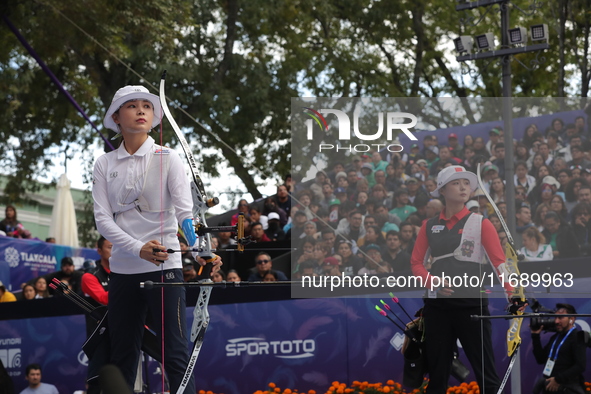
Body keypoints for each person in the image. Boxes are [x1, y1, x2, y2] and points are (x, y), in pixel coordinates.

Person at [92, 85, 222, 393]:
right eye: (131, 106)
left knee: (175, 354)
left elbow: (185, 214)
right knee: (123, 355)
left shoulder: (170, 158)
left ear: (153, 117)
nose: (140, 110)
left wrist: (200, 250)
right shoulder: (104, 163)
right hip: (123, 271)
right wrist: (138, 249)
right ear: (116, 117)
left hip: (166, 268)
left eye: (146, 106)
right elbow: (102, 220)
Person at [410, 165, 517, 394]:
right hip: (437, 309)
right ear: (442, 190)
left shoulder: (481, 223)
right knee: (437, 375)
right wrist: (433, 283)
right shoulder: (428, 226)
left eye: (466, 183)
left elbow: (500, 264)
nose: (463, 187)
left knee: (486, 373)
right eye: (456, 183)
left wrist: (513, 293)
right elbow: (416, 264)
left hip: (471, 307)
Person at [531, 303, 586, 394]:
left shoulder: (577, 337)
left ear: (571, 319)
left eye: (560, 318)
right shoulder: (555, 337)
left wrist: (558, 380)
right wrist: (535, 336)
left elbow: (580, 366)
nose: (556, 321)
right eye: (555, 317)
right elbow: (540, 359)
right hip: (549, 387)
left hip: (566, 388)